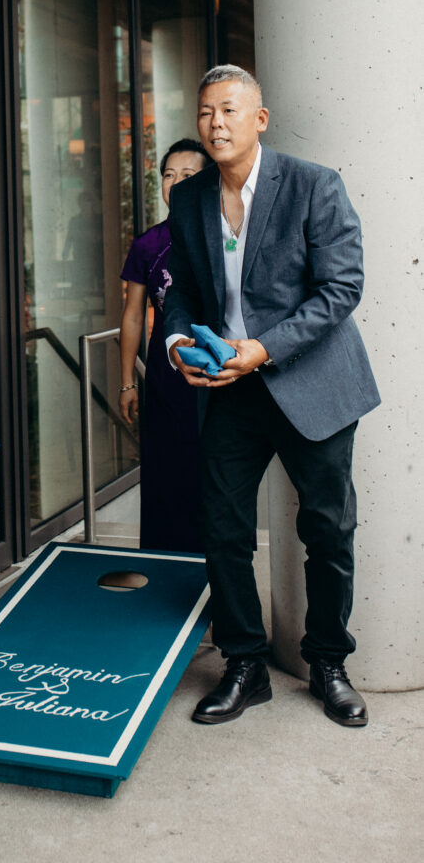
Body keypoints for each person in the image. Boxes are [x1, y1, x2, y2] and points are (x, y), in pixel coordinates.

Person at [164, 65, 380, 727]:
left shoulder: (314, 186)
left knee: (326, 530)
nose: (215, 123)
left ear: (258, 119)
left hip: (308, 380)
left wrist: (261, 349)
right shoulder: (190, 197)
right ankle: (244, 665)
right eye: (205, 112)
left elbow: (340, 288)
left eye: (229, 110)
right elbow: (183, 293)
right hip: (230, 390)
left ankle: (327, 663)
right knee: (223, 529)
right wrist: (177, 346)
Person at [119, 138, 210, 552]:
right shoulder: (148, 244)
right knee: (164, 476)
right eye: (168, 175)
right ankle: (163, 568)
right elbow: (134, 316)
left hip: (217, 376)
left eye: (187, 175)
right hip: (165, 378)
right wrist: (127, 382)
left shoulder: (223, 236)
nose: (175, 183)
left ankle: (217, 577)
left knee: (212, 479)